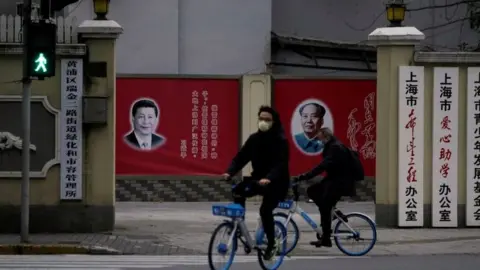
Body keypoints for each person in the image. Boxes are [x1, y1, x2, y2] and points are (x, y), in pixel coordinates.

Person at [222, 105, 290, 260]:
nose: (263, 122)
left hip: (276, 183)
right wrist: (229, 171)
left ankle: (272, 244)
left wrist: (269, 178)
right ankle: (240, 226)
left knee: (265, 211)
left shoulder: (281, 141)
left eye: (267, 120)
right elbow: (241, 157)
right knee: (238, 190)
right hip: (257, 180)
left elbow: (281, 164)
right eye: (261, 119)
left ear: (274, 122)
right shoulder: (254, 139)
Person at [293, 127, 355, 248]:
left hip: (341, 182)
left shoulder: (335, 148)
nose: (319, 140)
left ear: (326, 136)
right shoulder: (331, 145)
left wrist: (304, 176)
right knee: (312, 191)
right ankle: (334, 212)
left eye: (320, 137)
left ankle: (326, 238)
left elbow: (322, 166)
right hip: (334, 180)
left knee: (325, 206)